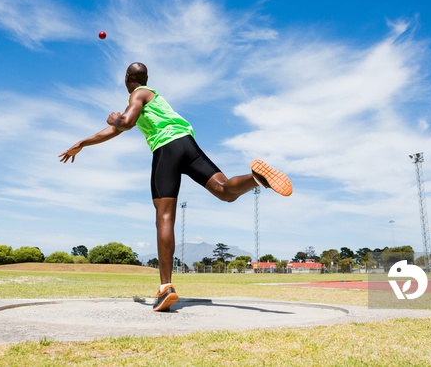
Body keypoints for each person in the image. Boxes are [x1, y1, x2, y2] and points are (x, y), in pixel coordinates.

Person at [59, 62, 292, 312]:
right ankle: (256, 178)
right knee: (225, 192)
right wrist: (83, 142)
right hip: (187, 144)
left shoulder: (137, 94)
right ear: (146, 77)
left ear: (127, 78)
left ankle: (165, 287)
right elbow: (115, 131)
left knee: (165, 217)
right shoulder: (153, 99)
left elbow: (124, 122)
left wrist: (115, 117)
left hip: (166, 149)